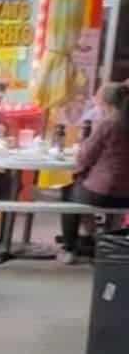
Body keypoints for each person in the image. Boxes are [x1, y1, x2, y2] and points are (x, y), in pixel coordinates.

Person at [58, 82, 129, 263]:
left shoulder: (109, 124)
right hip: (126, 194)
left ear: (106, 103)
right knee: (82, 190)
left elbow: (85, 156)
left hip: (105, 191)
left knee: (68, 192)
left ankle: (69, 248)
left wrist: (79, 172)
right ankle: (97, 238)